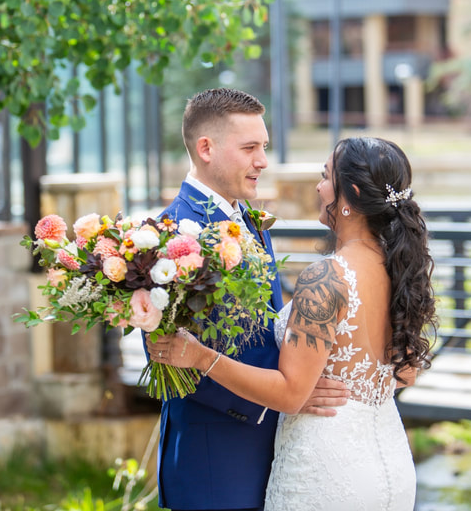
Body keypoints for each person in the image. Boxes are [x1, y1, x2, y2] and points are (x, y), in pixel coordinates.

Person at [148, 135, 438, 511]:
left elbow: (290, 395)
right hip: (389, 460)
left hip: (328, 467)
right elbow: (405, 374)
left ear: (349, 196)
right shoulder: (401, 269)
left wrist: (200, 356)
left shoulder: (326, 278)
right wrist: (353, 387)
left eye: (325, 176)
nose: (318, 187)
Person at [148, 88, 348, 511]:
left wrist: (296, 382)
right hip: (215, 466)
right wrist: (286, 394)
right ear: (206, 148)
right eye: (249, 148)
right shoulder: (171, 233)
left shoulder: (247, 220)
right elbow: (167, 353)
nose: (263, 161)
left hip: (269, 454)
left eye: (264, 147)